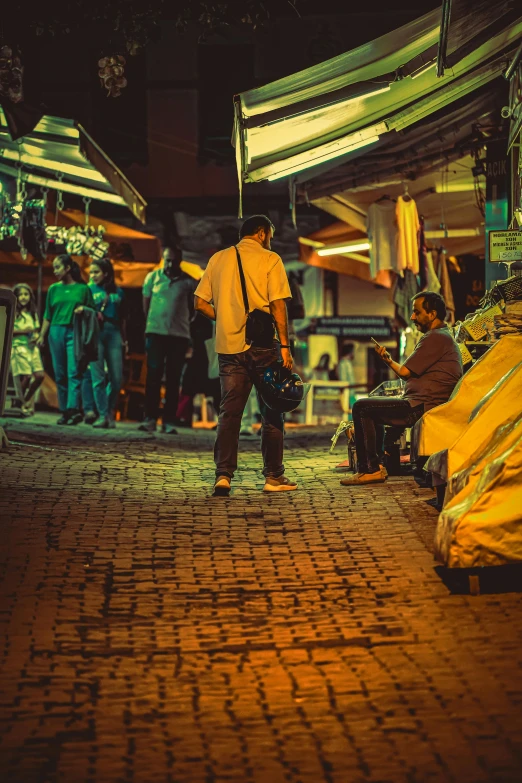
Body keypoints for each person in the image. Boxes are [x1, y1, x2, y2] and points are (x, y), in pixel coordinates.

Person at [194, 214, 295, 496]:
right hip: (262, 346)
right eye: (270, 236)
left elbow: (200, 303)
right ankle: (273, 477)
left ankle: (223, 476)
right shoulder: (270, 259)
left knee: (230, 413)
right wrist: (285, 347)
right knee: (271, 410)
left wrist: (226, 319)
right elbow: (278, 306)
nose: (270, 241)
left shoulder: (217, 259)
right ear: (262, 233)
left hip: (229, 348)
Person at [340, 291, 463, 487]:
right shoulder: (440, 337)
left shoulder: (436, 337)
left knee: (361, 407)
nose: (412, 317)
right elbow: (407, 372)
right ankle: (376, 467)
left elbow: (405, 372)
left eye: (417, 312)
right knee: (371, 410)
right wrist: (388, 360)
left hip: (421, 405)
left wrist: (388, 362)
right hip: (420, 402)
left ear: (432, 315)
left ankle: (370, 469)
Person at [139, 246, 196, 434]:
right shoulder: (152, 278)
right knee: (153, 376)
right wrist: (153, 323)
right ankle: (149, 418)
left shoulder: (188, 282)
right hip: (155, 333)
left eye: (173, 260)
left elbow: (194, 308)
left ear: (180, 261)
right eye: (167, 260)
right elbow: (146, 305)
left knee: (173, 378)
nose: (170, 264)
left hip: (179, 335)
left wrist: (183, 322)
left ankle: (168, 420)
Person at [37, 255, 95, 425]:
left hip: (74, 332)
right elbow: (48, 315)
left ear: (68, 268)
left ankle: (73, 409)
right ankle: (64, 411)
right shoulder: (53, 289)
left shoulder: (83, 289)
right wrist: (42, 335)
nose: (55, 271)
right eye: (54, 268)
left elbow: (93, 311)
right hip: (55, 331)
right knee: (60, 373)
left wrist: (83, 309)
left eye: (58, 267)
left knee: (74, 371)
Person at [81, 258, 126, 429]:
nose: (92, 275)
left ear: (106, 273)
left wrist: (125, 339)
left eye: (96, 272)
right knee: (97, 377)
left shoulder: (119, 292)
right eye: (91, 272)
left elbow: (123, 318)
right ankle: (103, 415)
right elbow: (80, 312)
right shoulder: (87, 290)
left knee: (116, 379)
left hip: (114, 332)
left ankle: (108, 411)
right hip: (95, 333)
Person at [10, 283, 45, 416]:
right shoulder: (14, 312)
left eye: (26, 294)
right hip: (19, 347)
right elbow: (9, 330)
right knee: (26, 376)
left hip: (32, 348)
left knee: (40, 376)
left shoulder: (32, 313)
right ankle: (20, 401)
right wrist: (25, 331)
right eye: (21, 295)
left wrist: (37, 337)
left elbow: (35, 329)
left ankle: (23, 400)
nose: (24, 297)